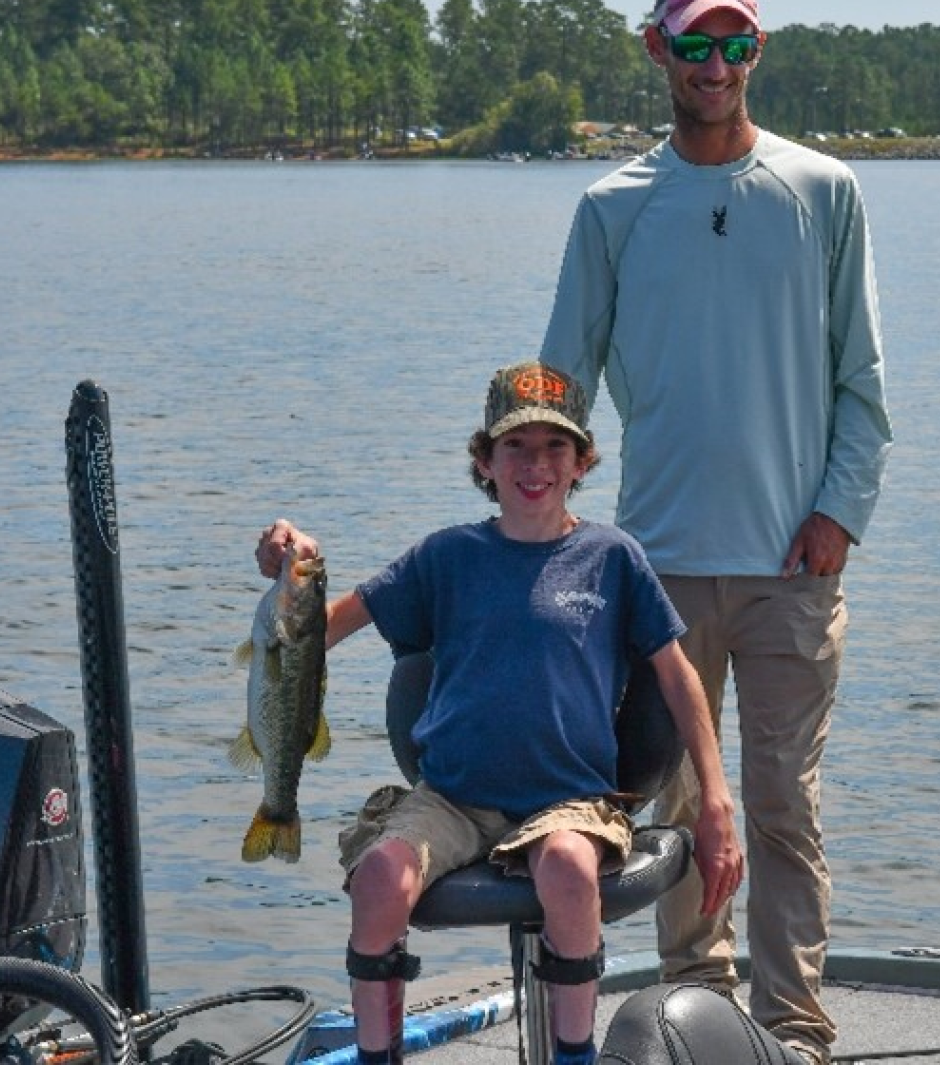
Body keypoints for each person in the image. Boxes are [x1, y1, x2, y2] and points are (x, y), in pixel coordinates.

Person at [540, 0, 893, 1062]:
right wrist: (531, 527)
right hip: (655, 578)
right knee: (687, 817)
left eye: (734, 44)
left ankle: (794, 1034)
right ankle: (703, 1011)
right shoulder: (611, 208)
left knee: (785, 812)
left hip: (797, 567)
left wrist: (839, 514)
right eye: (694, 44)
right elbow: (558, 383)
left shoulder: (824, 190)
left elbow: (863, 386)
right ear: (658, 51)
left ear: (760, 52)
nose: (714, 65)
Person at [255, 360, 743, 1065]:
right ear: (485, 460)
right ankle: (376, 1054)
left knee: (570, 872)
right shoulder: (445, 555)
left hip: (567, 798)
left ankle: (571, 1056)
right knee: (380, 880)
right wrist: (289, 571)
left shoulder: (613, 556)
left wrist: (717, 802)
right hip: (453, 794)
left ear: (582, 462)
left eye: (555, 447)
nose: (535, 464)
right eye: (515, 445)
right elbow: (318, 630)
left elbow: (680, 680)